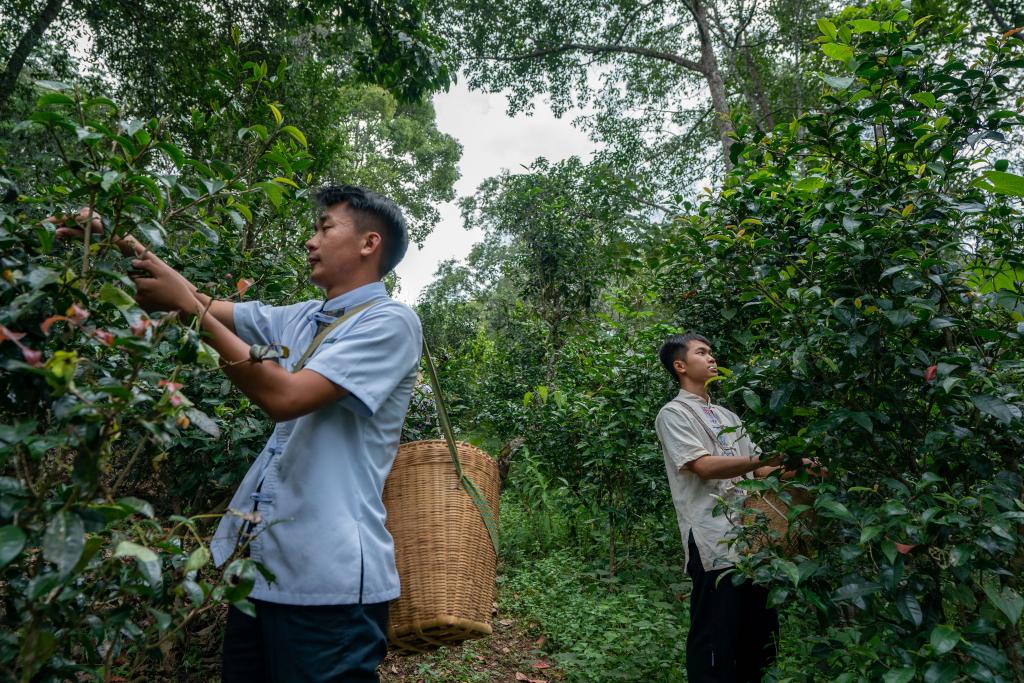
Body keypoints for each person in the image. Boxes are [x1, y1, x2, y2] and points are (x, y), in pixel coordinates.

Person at [56, 185, 422, 682]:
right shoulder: (301, 317)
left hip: (331, 588)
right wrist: (118, 241)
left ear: (368, 243)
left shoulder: (390, 323)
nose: (311, 240)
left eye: (325, 227)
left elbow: (284, 396)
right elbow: (199, 300)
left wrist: (194, 312)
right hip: (263, 578)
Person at [654, 332, 782, 682]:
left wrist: (796, 463)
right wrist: (761, 459)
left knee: (758, 638)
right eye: (702, 352)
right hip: (713, 539)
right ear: (680, 366)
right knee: (714, 640)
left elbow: (759, 468)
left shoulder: (728, 415)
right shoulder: (674, 413)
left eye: (712, 352)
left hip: (753, 540)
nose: (712, 358)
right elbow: (703, 465)